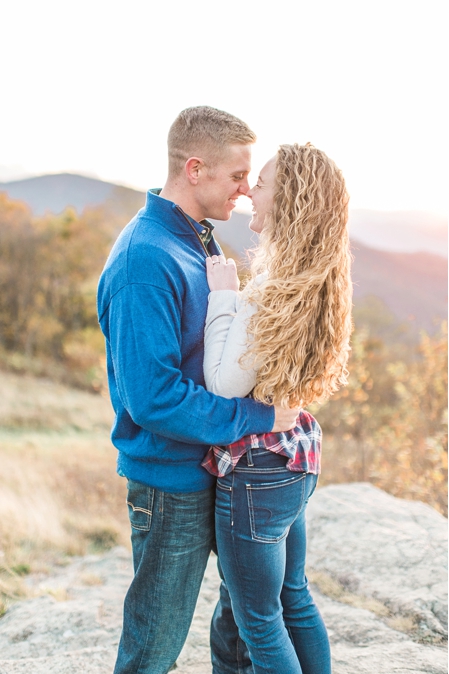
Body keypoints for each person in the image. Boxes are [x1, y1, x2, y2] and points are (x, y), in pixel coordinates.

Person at [97, 106, 299, 674]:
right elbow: (153, 397)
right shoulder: (146, 260)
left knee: (241, 625)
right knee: (154, 645)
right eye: (238, 176)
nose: (245, 189)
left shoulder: (197, 241)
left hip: (219, 470)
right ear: (195, 169)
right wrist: (256, 417)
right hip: (172, 483)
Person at [201, 142, 352, 674]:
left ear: (287, 199)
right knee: (295, 599)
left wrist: (225, 295)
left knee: (260, 621)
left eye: (260, 183)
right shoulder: (316, 282)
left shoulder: (268, 292)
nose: (249, 193)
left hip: (259, 471)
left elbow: (222, 385)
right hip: (295, 461)